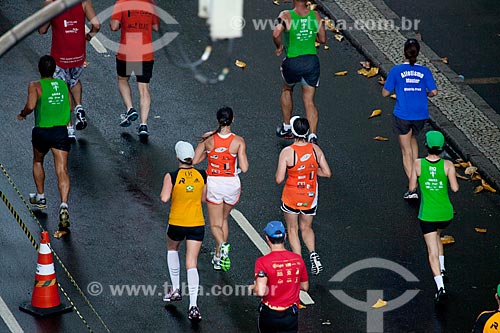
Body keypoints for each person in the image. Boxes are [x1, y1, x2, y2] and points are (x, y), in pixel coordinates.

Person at [18, 55, 72, 239]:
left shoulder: (35, 85)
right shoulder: (63, 85)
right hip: (60, 132)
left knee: (38, 161)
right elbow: (71, 107)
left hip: (42, 131)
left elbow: (31, 106)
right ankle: (64, 205)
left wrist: (22, 114)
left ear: (39, 69)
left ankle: (41, 197)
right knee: (62, 170)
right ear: (54, 69)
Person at [193, 106, 249, 272]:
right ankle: (218, 257)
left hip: (215, 184)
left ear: (218, 120)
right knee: (224, 219)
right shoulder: (239, 141)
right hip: (232, 184)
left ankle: (223, 245)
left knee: (215, 224)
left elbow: (195, 160)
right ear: (233, 120)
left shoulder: (209, 140)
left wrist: (205, 145)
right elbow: (244, 168)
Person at [382, 38, 438, 200]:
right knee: (413, 138)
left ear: (403, 52)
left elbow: (385, 93)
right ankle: (418, 170)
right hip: (420, 115)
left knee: (406, 151)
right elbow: (434, 91)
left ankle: (413, 188)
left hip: (403, 115)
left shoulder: (396, 70)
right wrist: (423, 93)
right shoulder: (425, 71)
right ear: (418, 53)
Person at [275, 116, 331, 275]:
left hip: (292, 196)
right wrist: (312, 172)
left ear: (292, 132)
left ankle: (298, 263)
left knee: (292, 229)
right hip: (310, 195)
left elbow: (279, 179)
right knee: (306, 227)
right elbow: (327, 173)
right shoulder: (315, 149)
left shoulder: (287, 153)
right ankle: (313, 254)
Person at [38, 0, 101, 139]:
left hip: (60, 55)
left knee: (62, 87)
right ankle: (79, 107)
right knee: (74, 80)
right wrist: (89, 36)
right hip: (78, 54)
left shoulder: (51, 3)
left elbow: (42, 30)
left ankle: (69, 128)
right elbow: (96, 25)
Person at [408, 131, 459, 305]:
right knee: (438, 235)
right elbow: (455, 188)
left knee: (431, 251)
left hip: (427, 214)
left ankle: (440, 287)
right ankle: (443, 268)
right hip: (446, 213)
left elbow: (412, 187)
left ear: (426, 146)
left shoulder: (417, 164)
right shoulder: (448, 165)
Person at [160, 141, 207, 322]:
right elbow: (204, 198)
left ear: (177, 157)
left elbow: (164, 198)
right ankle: (193, 306)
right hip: (197, 223)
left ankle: (176, 289)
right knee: (192, 263)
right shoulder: (202, 175)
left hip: (177, 223)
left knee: (173, 249)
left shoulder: (172, 176)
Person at [273, 0, 326, 144]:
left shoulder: (285, 15)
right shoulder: (315, 15)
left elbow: (277, 31)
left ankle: (287, 127)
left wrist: (279, 46)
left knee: (287, 89)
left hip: (293, 62)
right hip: (311, 62)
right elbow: (322, 38)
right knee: (309, 100)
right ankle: (312, 136)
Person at [110, 0, 159, 138]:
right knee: (144, 88)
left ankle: (130, 108)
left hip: (128, 50)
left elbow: (114, 27)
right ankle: (143, 125)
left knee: (122, 79)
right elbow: (155, 27)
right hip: (145, 52)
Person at [252, 221, 309, 333]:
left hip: (270, 315)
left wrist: (253, 288)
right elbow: (305, 286)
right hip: (290, 315)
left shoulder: (262, 262)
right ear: (285, 237)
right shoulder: (297, 259)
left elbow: (260, 291)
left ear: (267, 238)